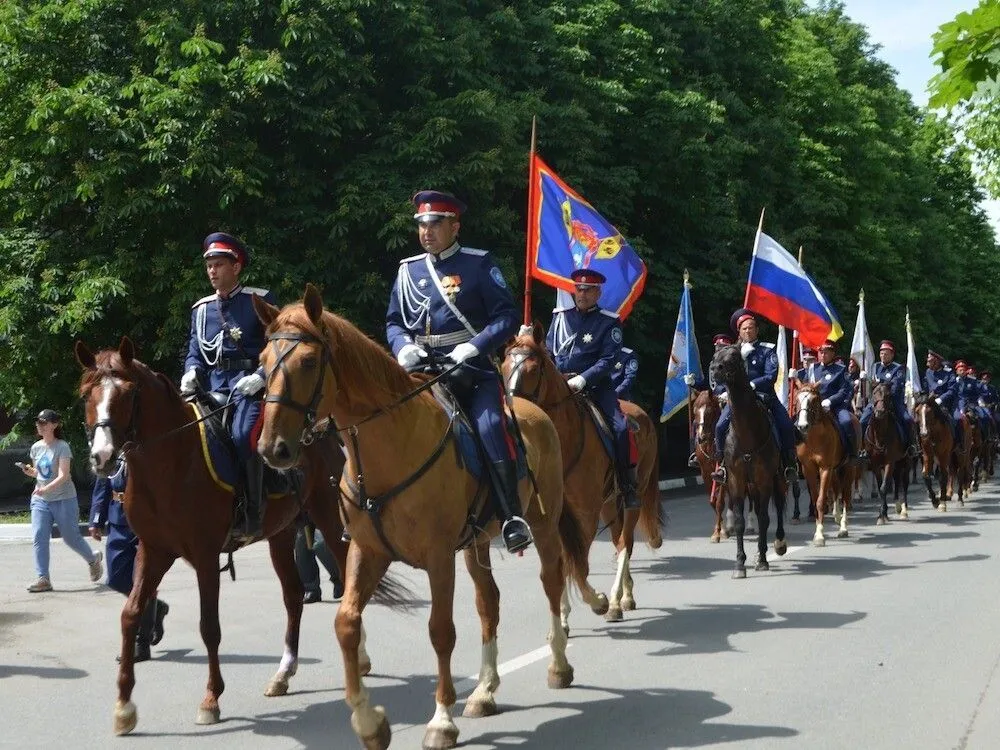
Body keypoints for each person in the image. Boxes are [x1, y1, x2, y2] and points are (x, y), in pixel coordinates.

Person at [386, 190, 530, 554]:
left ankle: (511, 515)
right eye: (422, 224)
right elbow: (393, 322)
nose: (427, 231)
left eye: (435, 224)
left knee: (490, 426)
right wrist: (403, 346)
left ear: (455, 226)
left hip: (470, 371)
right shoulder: (408, 270)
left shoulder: (479, 265)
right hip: (420, 370)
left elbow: (507, 317)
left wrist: (474, 346)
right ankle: (371, 508)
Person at [180, 232, 277, 539]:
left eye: (219, 264)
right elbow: (195, 349)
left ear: (236, 267)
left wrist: (261, 376)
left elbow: (277, 346)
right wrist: (191, 370)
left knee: (242, 435)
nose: (212, 271)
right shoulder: (202, 309)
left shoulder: (257, 301)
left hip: (247, 388)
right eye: (209, 265)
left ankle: (252, 509)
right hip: (209, 390)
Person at [546, 269, 639, 509]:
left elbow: (608, 360)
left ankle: (626, 484)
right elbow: (547, 353)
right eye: (578, 289)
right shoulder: (560, 318)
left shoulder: (609, 322)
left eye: (588, 290)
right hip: (559, 387)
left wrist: (583, 379)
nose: (582, 294)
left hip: (595, 388)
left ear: (598, 293)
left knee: (619, 428)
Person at [88, 458, 169, 662]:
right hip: (118, 519)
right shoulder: (110, 451)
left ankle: (141, 645)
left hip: (145, 520)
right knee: (115, 578)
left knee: (143, 582)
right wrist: (96, 519)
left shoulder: (144, 447)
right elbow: (103, 484)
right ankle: (155, 607)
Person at [19, 409, 103, 593]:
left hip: (63, 498)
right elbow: (40, 473)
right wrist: (30, 472)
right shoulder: (36, 447)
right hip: (41, 499)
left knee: (70, 537)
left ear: (54, 425)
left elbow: (64, 475)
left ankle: (92, 559)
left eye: (43, 422)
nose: (39, 425)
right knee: (39, 535)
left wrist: (46, 489)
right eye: (38, 422)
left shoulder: (62, 446)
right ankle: (43, 578)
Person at [713, 309, 799, 482]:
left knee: (786, 424)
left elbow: (771, 374)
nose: (748, 331)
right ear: (739, 332)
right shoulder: (731, 353)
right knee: (720, 426)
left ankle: (789, 463)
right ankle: (722, 464)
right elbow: (721, 375)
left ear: (757, 330)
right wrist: (723, 391)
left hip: (763, 396)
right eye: (744, 329)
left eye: (751, 328)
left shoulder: (767, 350)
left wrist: (753, 385)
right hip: (738, 401)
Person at [793, 340, 858, 462]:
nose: (823, 355)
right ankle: (794, 456)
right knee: (794, 423)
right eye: (821, 352)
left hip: (835, 406)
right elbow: (806, 386)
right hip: (813, 405)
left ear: (833, 354)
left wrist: (830, 401)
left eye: (826, 352)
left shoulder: (840, 369)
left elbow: (844, 390)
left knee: (847, 421)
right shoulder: (813, 368)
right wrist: (796, 378)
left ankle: (852, 453)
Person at [858, 340, 917, 458]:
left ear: (892, 355)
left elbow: (895, 387)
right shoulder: (875, 367)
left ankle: (911, 446)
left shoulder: (898, 368)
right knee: (863, 420)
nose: (883, 356)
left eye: (886, 353)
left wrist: (879, 384)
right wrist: (864, 380)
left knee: (907, 419)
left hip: (894, 401)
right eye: (881, 353)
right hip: (876, 401)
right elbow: (870, 386)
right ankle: (862, 447)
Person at [686, 333, 730, 467]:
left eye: (722, 347)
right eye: (717, 347)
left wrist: (727, 393)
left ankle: (724, 451)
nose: (718, 349)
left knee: (724, 424)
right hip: (713, 399)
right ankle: (696, 453)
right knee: (698, 421)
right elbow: (708, 385)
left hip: (728, 399)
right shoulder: (713, 365)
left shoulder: (732, 363)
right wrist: (694, 383)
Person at [295, 515, 344, 604]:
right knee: (301, 543)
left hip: (323, 512)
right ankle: (311, 589)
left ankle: (340, 579)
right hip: (304, 513)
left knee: (320, 544)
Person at [924, 350, 960, 444]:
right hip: (930, 402)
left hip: (946, 402)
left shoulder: (949, 373)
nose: (927, 361)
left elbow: (952, 390)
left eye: (929, 359)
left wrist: (940, 399)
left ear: (936, 361)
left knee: (957, 418)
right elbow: (925, 388)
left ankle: (958, 443)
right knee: (918, 417)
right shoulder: (928, 372)